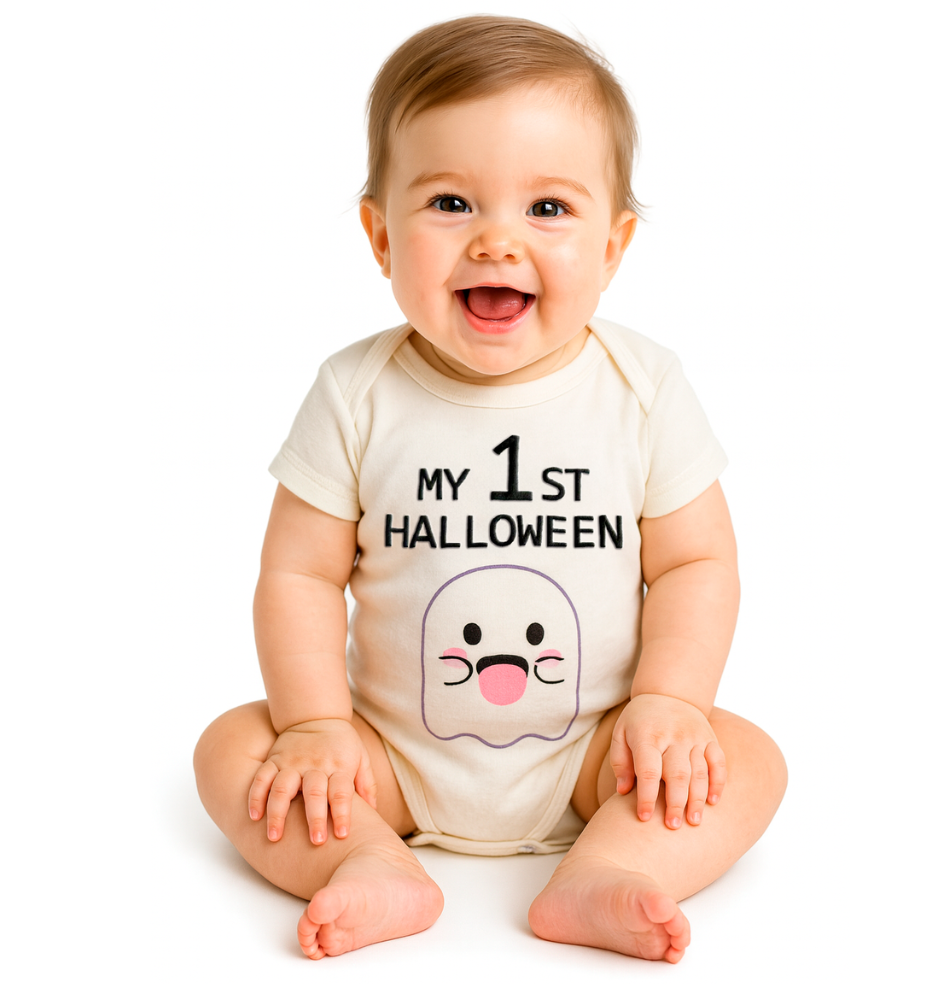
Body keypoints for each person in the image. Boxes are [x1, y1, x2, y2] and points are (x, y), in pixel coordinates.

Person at [194, 15, 787, 963]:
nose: (497, 242)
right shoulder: (356, 392)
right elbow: (300, 574)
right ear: (381, 236)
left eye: (547, 208)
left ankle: (611, 865)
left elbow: (696, 563)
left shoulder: (643, 388)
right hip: (388, 755)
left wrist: (670, 704)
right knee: (232, 747)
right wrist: (315, 726)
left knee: (748, 757)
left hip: (598, 756)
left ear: (613, 245)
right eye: (450, 203)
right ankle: (365, 858)